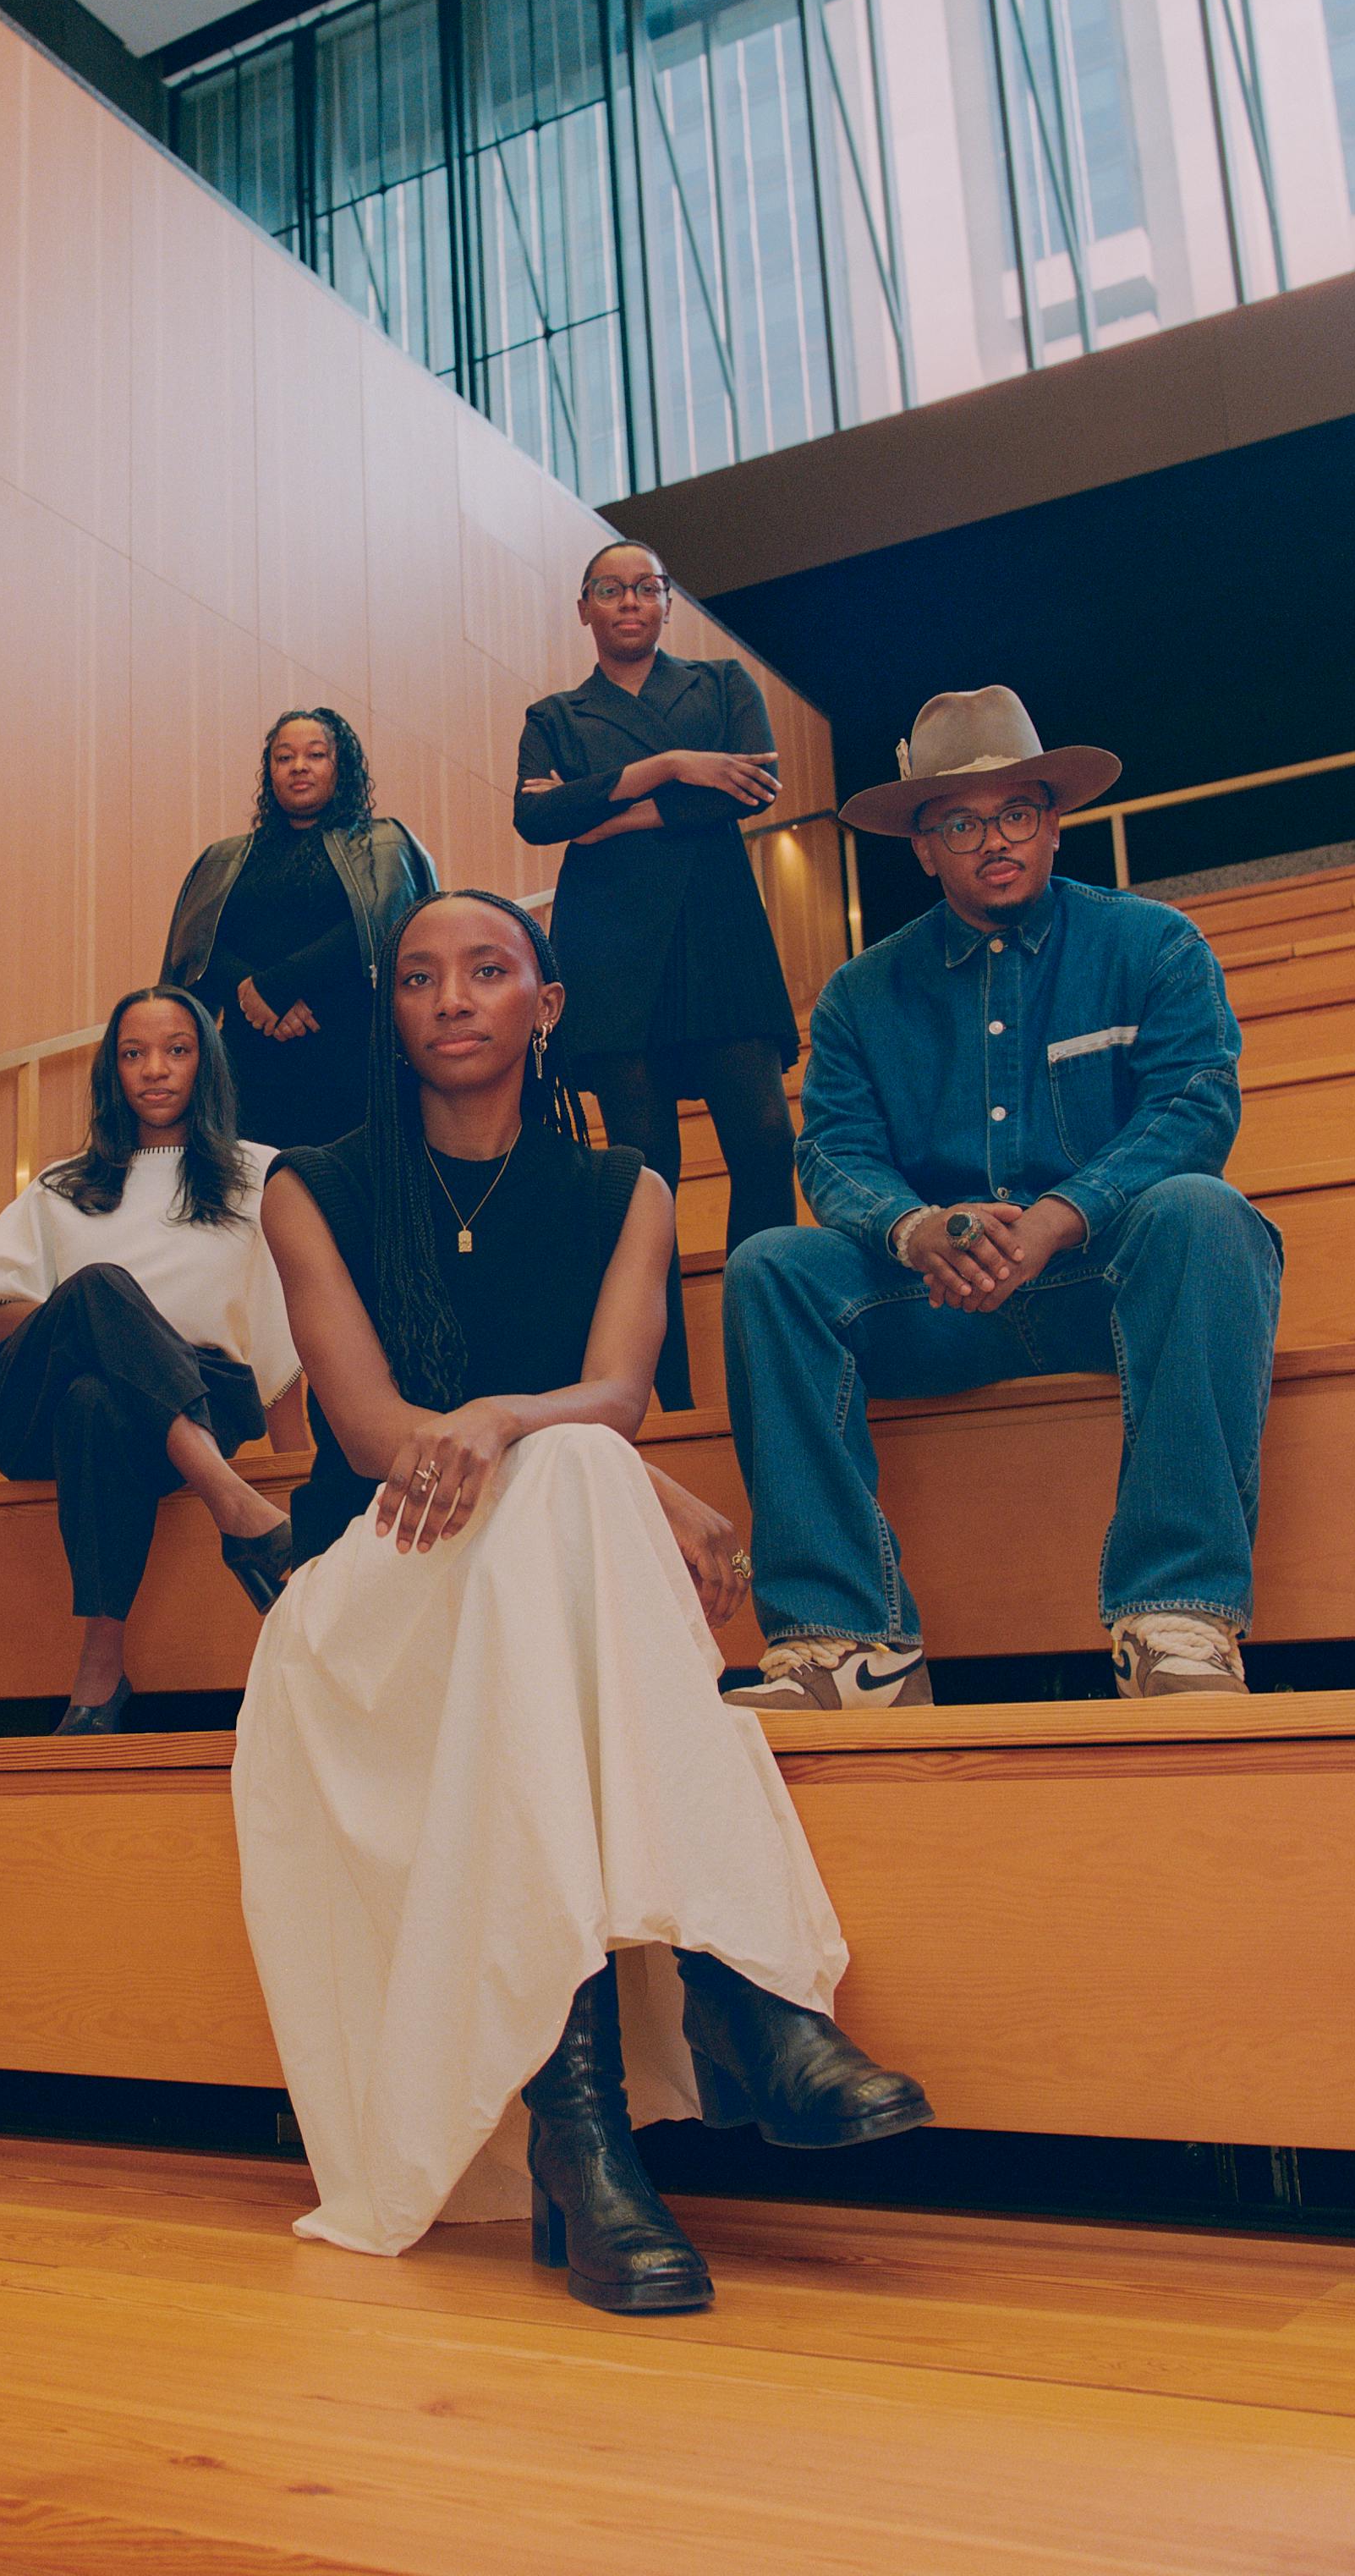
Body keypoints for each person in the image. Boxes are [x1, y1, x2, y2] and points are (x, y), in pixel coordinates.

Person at [234, 888, 929, 2316]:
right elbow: (371, 1434)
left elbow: (614, 1397)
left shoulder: (628, 1188)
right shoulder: (312, 1182)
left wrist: (509, 1420)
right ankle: (752, 1996)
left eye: (488, 970)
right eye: (420, 977)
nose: (452, 998)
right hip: (372, 1594)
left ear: (546, 1003)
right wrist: (608, 1473)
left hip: (534, 1573)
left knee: (573, 1483)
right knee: (585, 1484)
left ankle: (587, 2134)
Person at [720, 687, 1282, 1711]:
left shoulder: (1153, 946)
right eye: (961, 822)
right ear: (923, 846)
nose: (994, 840)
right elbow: (834, 1152)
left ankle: (1177, 1621)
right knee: (768, 1265)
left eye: (1015, 812)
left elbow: (1194, 1104)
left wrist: (1063, 1215)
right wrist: (917, 1230)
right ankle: (849, 1648)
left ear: (1053, 820)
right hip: (933, 1298)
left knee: (1204, 1210)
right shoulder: (857, 993)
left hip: (1101, 1284)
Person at [513, 541, 804, 1411]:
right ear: (584, 608)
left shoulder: (720, 685)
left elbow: (754, 784)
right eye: (611, 589)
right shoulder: (555, 711)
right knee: (647, 1178)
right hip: (609, 949)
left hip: (717, 936)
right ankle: (663, 1395)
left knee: (762, 1143)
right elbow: (537, 815)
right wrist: (672, 768)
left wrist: (611, 813)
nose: (629, 601)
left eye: (646, 588)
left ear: (666, 602)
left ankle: (768, 1368)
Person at [0, 987, 301, 1735]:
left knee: (99, 1403)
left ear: (205, 1064)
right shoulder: (60, 1185)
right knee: (99, 1298)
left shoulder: (259, 1175)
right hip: (37, 1406)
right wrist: (104, 1316)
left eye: (177, 1050)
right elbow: (1, 1320)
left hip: (205, 1391)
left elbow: (287, 1323)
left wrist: (297, 1462)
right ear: (111, 1070)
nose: (155, 1069)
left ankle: (99, 1667)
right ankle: (232, 1505)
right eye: (133, 1053)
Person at [162, 708, 438, 1151]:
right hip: (252, 1060)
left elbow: (381, 929)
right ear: (270, 771)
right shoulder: (225, 857)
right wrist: (250, 992)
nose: (298, 767)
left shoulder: (386, 844)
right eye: (283, 757)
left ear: (339, 766)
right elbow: (196, 951)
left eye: (315, 754)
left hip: (351, 1055)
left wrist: (278, 984)